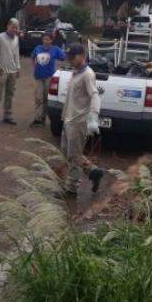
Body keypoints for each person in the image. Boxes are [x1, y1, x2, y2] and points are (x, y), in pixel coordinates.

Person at [60, 43, 102, 198]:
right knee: (68, 151)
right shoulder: (75, 72)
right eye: (69, 57)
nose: (70, 59)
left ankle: (71, 189)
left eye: (73, 56)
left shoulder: (87, 75)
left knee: (73, 156)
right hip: (68, 119)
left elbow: (95, 96)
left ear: (83, 56)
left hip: (78, 121)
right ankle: (92, 171)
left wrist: (93, 118)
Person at [31, 31, 66, 127]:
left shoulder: (55, 49)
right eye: (45, 39)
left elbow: (63, 57)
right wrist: (34, 68)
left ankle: (43, 117)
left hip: (49, 77)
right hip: (38, 77)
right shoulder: (37, 48)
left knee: (46, 98)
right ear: (42, 39)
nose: (46, 41)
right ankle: (37, 118)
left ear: (51, 40)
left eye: (48, 39)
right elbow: (33, 57)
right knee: (38, 98)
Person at [0, 18, 21, 125]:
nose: (15, 29)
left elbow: (16, 54)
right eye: (13, 27)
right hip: (2, 70)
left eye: (16, 27)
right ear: (8, 26)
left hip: (12, 70)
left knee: (10, 94)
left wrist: (18, 67)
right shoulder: (0, 37)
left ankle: (7, 115)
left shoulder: (16, 39)